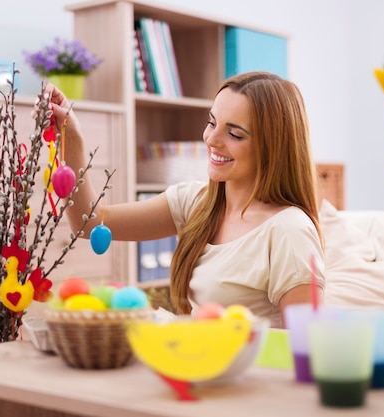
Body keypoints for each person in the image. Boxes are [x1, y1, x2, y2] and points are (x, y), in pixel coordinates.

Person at [44, 71, 325, 328]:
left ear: (273, 147)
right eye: (211, 123)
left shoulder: (290, 232)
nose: (211, 140)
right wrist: (72, 140)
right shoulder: (195, 202)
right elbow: (91, 224)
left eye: (234, 133)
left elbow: (306, 351)